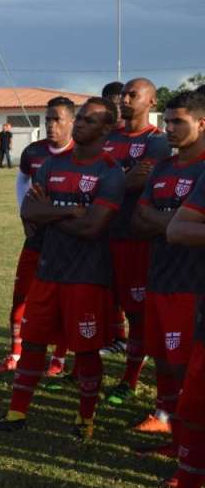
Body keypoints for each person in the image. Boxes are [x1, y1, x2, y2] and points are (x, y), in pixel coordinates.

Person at [0, 98, 125, 439]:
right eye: (80, 118)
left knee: (86, 350)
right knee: (32, 343)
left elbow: (93, 227)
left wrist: (51, 215)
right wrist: (70, 211)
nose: (80, 123)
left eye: (89, 120)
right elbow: (29, 212)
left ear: (106, 129)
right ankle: (16, 414)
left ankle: (84, 421)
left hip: (87, 277)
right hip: (47, 270)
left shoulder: (110, 172)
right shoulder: (51, 165)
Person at [126, 122, 205, 488]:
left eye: (180, 121)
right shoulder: (167, 168)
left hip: (188, 285)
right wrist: (168, 222)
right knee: (191, 406)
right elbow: (174, 228)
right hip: (173, 283)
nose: (171, 128)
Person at [100, 78, 172, 427]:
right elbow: (108, 179)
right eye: (124, 95)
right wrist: (121, 179)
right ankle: (81, 371)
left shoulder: (157, 141)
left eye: (133, 95)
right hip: (102, 236)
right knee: (101, 306)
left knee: (139, 313)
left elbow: (140, 181)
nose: (125, 100)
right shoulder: (108, 137)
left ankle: (129, 380)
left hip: (135, 239)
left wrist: (109, 182)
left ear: (151, 101)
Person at [0, 97, 75, 379]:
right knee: (21, 298)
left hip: (68, 243)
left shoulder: (81, 154)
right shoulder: (34, 151)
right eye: (48, 119)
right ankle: (15, 354)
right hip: (36, 240)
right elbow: (22, 180)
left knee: (62, 305)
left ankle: (58, 359)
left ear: (71, 122)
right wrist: (24, 215)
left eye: (57, 119)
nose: (51, 124)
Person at [100, 81, 129, 357]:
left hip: (132, 225)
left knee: (132, 288)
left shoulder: (149, 138)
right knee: (107, 285)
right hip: (101, 224)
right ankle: (117, 337)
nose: (118, 107)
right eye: (112, 102)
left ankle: (138, 342)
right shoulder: (102, 137)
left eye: (121, 101)